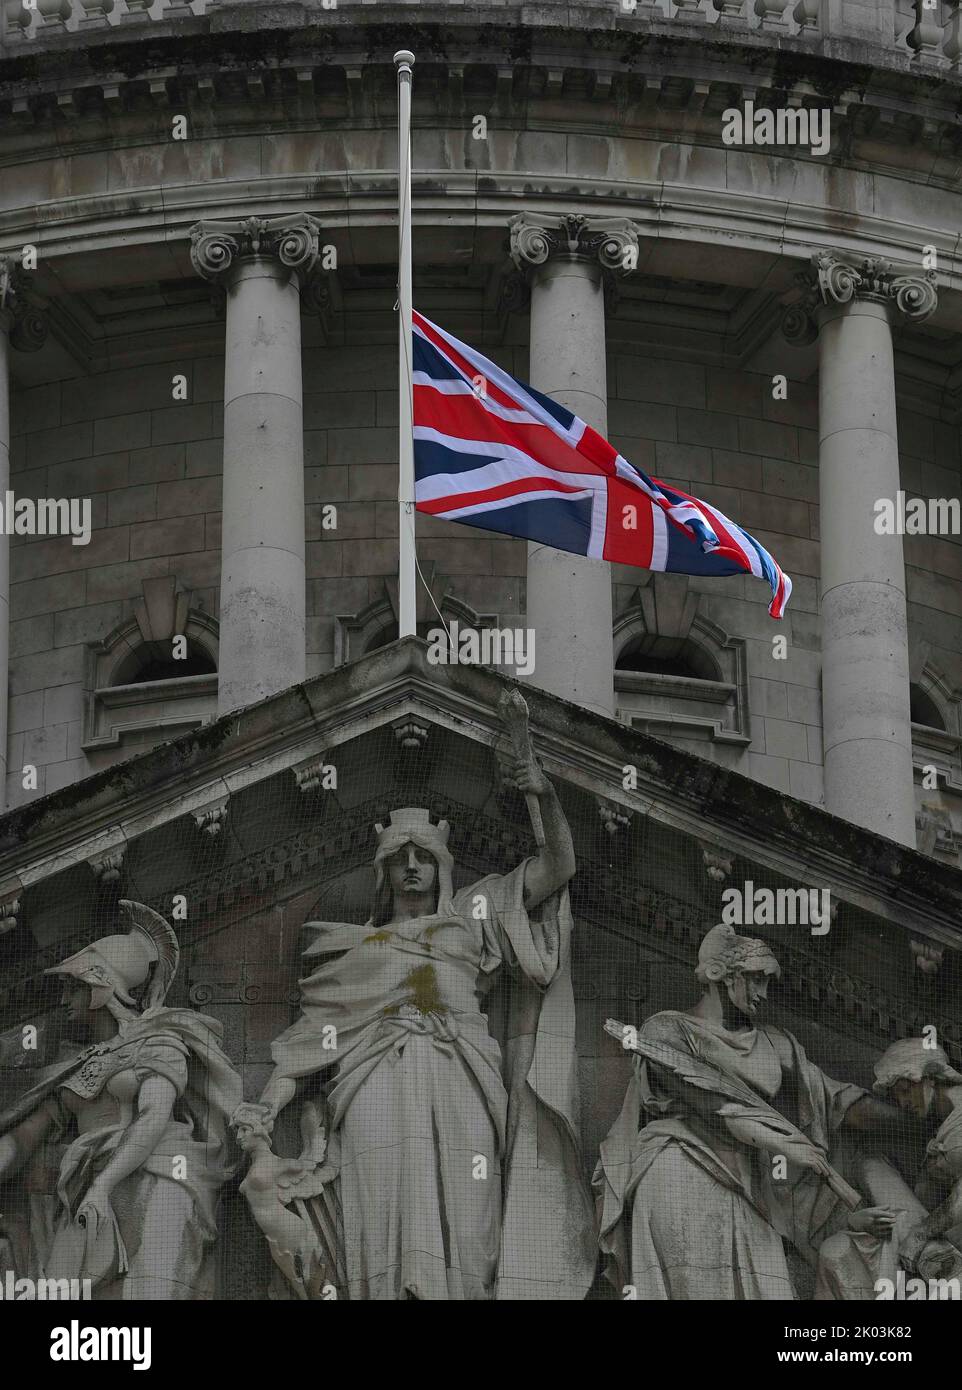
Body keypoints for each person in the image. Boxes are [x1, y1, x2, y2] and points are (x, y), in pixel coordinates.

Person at [235, 752, 595, 1300]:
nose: (410, 865)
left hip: (463, 1081)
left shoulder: (473, 916)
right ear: (381, 872)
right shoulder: (353, 950)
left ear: (441, 867)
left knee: (471, 1216)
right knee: (381, 1214)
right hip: (373, 1084)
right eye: (398, 857)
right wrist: (268, 1105)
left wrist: (542, 794)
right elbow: (308, 1046)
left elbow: (559, 867)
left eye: (422, 856)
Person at [594, 922, 907, 1299]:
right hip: (682, 1169)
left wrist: (917, 1120)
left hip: (757, 1189)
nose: (762, 994)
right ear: (719, 974)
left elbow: (837, 1103)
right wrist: (786, 1145)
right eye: (754, 980)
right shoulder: (667, 1030)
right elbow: (712, 1104)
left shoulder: (777, 1045)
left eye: (767, 983)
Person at [0, 901, 241, 1299]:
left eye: (73, 987)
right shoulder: (75, 1065)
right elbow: (26, 1136)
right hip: (86, 1185)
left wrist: (103, 1186)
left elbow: (152, 1116)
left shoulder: (161, 1041)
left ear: (102, 987)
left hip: (159, 1175)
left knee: (151, 1290)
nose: (63, 1000)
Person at [815, 1037, 962, 1298]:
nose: (903, 1102)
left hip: (946, 1256)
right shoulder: (942, 1130)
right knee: (837, 1250)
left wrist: (919, 1234)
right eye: (897, 1096)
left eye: (906, 1090)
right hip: (940, 1253)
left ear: (929, 1076)